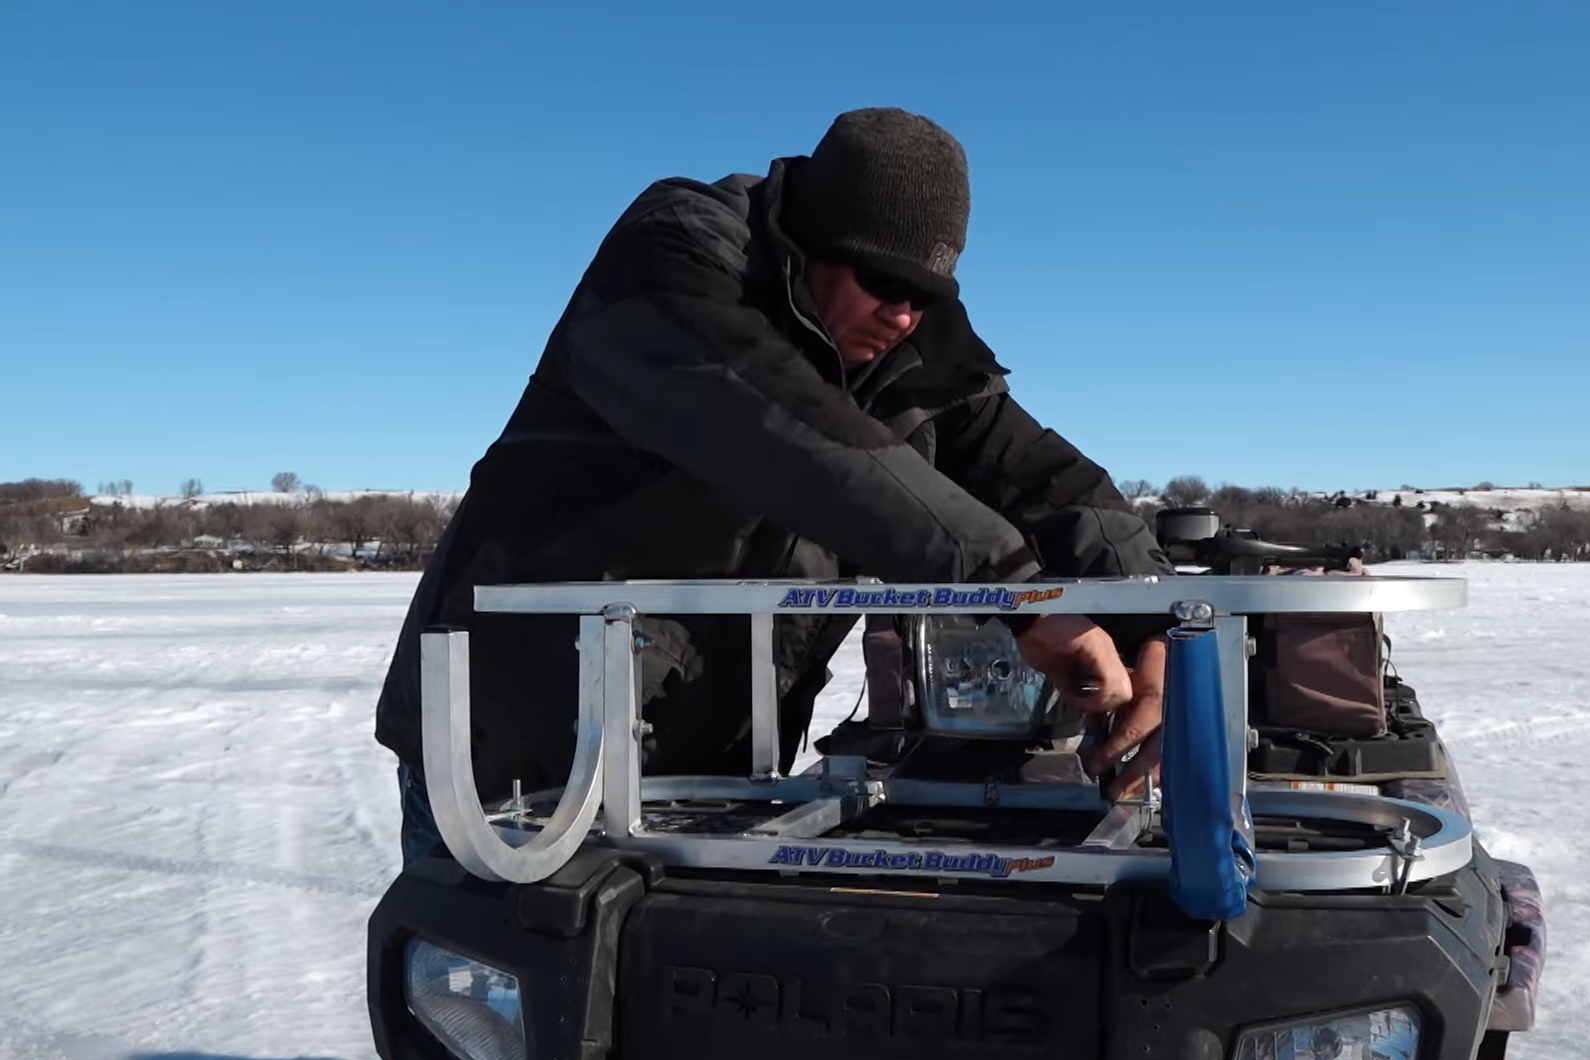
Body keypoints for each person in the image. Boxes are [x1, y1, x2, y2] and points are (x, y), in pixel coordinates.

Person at [375, 107, 1175, 864]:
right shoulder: (678, 257)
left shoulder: (912, 358)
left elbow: (1049, 482)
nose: (902, 315)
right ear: (807, 239)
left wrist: (1158, 625)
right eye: (881, 280)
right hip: (513, 775)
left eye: (926, 295)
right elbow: (780, 427)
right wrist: (1014, 594)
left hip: (716, 787)